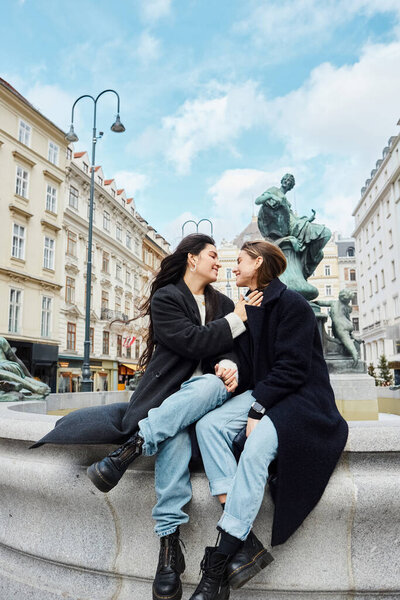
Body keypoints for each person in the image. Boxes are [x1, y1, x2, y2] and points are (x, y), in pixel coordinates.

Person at [32, 233, 262, 600]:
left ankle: (133, 451)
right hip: (168, 401)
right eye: (213, 255)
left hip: (211, 400)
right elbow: (192, 342)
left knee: (206, 388)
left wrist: (230, 365)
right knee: (174, 435)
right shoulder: (167, 298)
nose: (219, 262)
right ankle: (169, 546)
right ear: (191, 258)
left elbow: (233, 351)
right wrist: (236, 320)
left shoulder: (221, 302)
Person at [190, 240, 349, 599]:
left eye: (240, 261)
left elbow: (294, 370)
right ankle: (245, 542)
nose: (234, 268)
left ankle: (219, 562)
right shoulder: (248, 308)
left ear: (258, 263)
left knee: (257, 445)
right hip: (265, 391)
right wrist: (230, 366)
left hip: (301, 397)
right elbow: (249, 364)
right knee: (208, 426)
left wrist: (257, 410)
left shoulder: (293, 304)